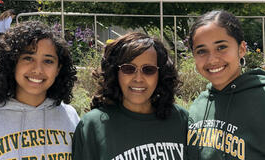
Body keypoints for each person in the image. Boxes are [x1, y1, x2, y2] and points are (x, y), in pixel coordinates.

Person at [0, 21, 80, 160]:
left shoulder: (70, 117)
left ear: (58, 69)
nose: (38, 69)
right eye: (28, 58)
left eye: (48, 61)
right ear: (12, 62)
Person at [72, 32, 189, 160]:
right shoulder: (93, 126)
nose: (138, 78)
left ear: (160, 74)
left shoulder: (181, 120)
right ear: (115, 72)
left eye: (148, 70)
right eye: (128, 69)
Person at [187, 10, 265, 160]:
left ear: (241, 49)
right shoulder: (197, 108)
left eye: (221, 47)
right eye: (201, 51)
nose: (212, 60)